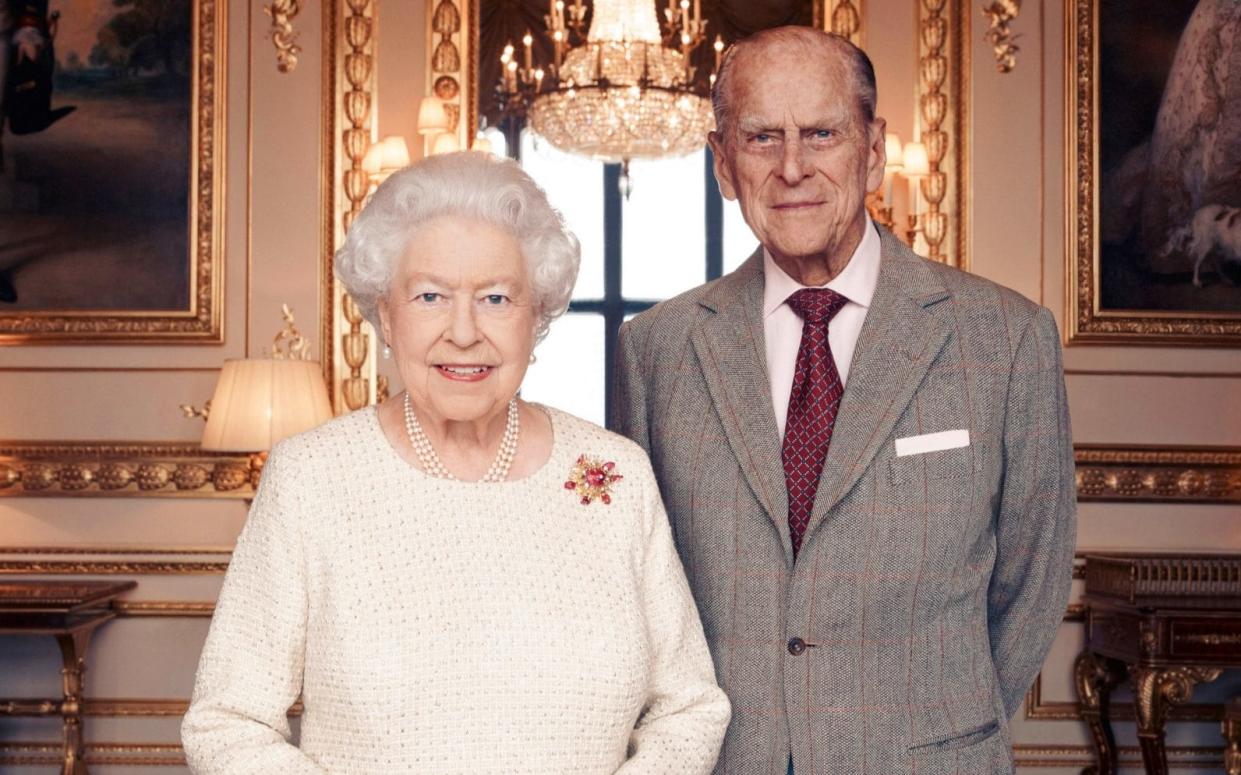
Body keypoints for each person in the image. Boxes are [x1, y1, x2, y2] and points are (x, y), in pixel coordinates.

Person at [612, 26, 1075, 774]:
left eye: (821, 132)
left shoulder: (1005, 338)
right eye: (761, 137)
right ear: (723, 165)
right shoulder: (656, 350)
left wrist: (930, 714)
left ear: (871, 148)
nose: (791, 167)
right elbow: (639, 585)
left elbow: (1033, 577)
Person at [182, 152, 730, 773]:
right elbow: (227, 722)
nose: (464, 331)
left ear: (537, 317)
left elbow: (690, 707)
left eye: (496, 298)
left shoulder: (615, 475)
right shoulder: (311, 477)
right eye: (430, 296)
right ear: (386, 315)